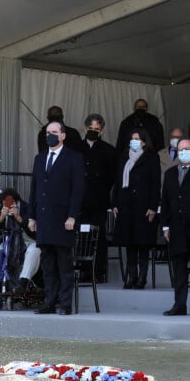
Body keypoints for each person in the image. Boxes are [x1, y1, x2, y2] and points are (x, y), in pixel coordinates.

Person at [29, 121, 84, 315]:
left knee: (64, 265)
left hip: (63, 220)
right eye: (47, 132)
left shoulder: (74, 158)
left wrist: (72, 216)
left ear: (63, 135)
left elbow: (78, 190)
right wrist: (31, 217)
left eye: (54, 132)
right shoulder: (40, 158)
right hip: (44, 219)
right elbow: (34, 188)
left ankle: (66, 303)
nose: (50, 135)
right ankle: (50, 302)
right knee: (48, 265)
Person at [111, 128, 160, 289]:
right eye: (132, 138)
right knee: (129, 243)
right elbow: (117, 183)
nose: (134, 141)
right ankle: (131, 276)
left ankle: (142, 277)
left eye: (137, 139)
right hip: (126, 206)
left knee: (143, 244)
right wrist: (114, 204)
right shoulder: (124, 157)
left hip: (143, 206)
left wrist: (153, 206)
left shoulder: (152, 158)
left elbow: (155, 184)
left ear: (144, 142)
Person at [79, 113, 117, 282]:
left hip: (99, 200)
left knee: (99, 237)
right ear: (85, 128)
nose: (93, 131)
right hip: (80, 200)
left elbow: (112, 176)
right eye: (91, 129)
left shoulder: (109, 150)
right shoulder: (76, 148)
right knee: (81, 236)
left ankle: (98, 271)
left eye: (97, 129)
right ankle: (82, 271)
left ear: (101, 131)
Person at [0, 188, 41, 292]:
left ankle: (23, 281)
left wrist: (18, 217)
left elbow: (34, 232)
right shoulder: (3, 209)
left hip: (27, 241)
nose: (8, 206)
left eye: (10, 203)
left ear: (16, 201)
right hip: (9, 243)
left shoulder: (27, 208)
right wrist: (1, 217)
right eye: (5, 204)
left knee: (35, 249)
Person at [160, 138, 190, 316]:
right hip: (177, 229)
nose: (183, 152)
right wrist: (165, 226)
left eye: (187, 149)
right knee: (179, 270)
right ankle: (179, 304)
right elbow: (165, 202)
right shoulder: (170, 173)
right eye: (180, 149)